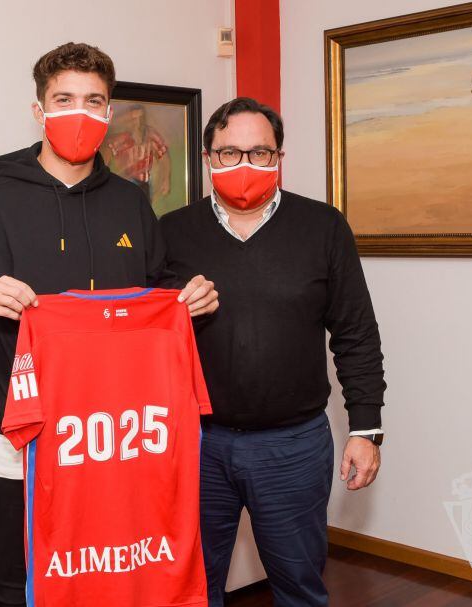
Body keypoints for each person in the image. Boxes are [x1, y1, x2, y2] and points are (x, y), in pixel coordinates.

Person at [0, 42, 219, 607]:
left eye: (93, 101)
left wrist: (188, 301)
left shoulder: (132, 204)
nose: (79, 113)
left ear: (108, 113)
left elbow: (157, 300)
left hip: (118, 439)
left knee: (111, 581)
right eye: (64, 99)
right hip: (25, 439)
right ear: (39, 111)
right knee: (18, 588)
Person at [160, 97, 386, 606]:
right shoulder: (170, 233)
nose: (245, 166)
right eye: (230, 153)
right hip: (196, 444)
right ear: (208, 158)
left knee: (299, 588)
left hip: (293, 446)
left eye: (260, 153)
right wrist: (176, 313)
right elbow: (139, 335)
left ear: (279, 156)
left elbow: (356, 334)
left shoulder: (323, 227)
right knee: (191, 587)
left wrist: (366, 428)